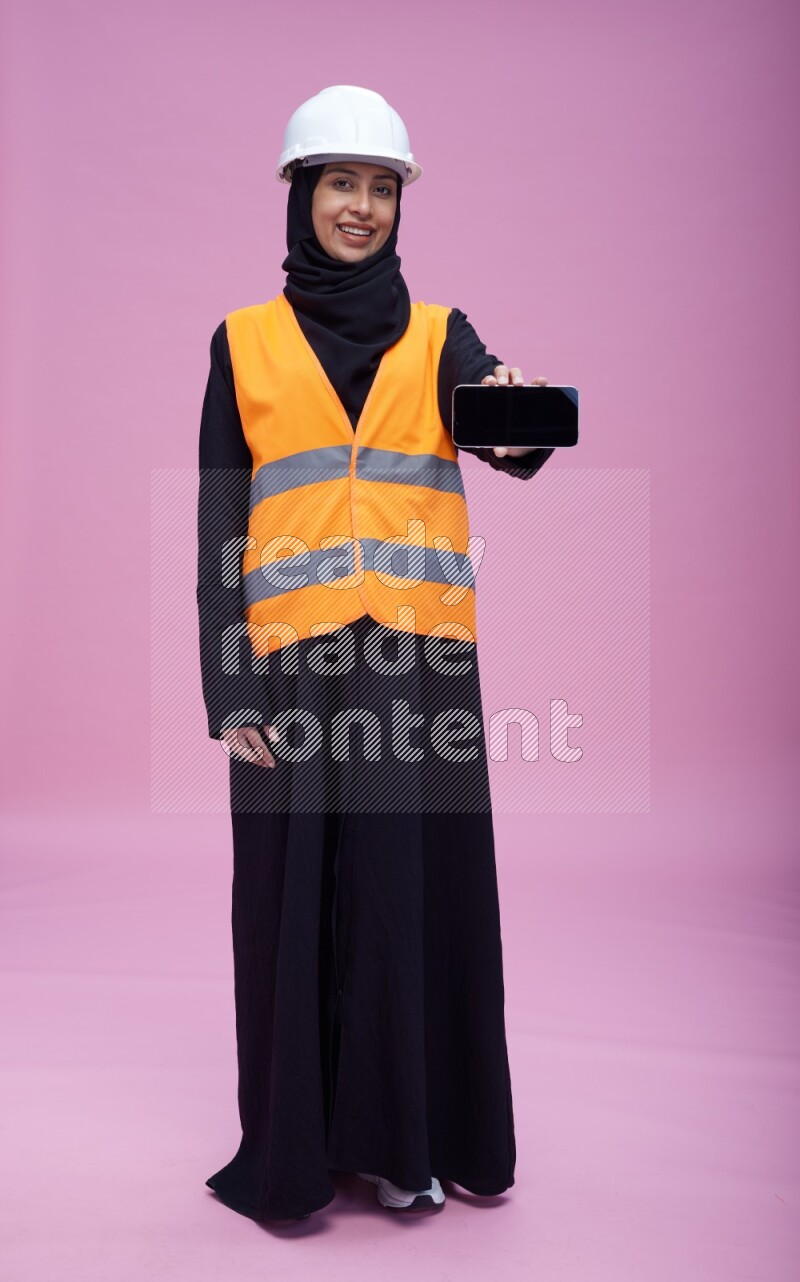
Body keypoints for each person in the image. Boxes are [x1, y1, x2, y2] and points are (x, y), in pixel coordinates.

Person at [196, 84, 555, 1221]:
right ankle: (298, 1152)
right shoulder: (242, 342)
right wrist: (228, 690)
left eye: (381, 187)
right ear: (301, 195)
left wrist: (514, 419)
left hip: (416, 670)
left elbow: (517, 439)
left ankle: (410, 1143)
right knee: (290, 904)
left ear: (402, 202)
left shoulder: (444, 333)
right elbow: (219, 527)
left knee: (407, 903)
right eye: (339, 184)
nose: (360, 206)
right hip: (290, 666)